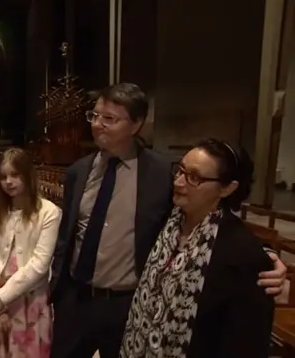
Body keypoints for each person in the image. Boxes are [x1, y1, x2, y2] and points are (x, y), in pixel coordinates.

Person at [49, 83, 287, 358]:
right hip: (76, 300)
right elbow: (66, 237)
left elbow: (211, 222)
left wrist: (267, 256)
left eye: (110, 118)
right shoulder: (78, 172)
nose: (98, 124)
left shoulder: (161, 173)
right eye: (95, 115)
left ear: (136, 124)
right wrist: (59, 291)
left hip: (127, 305)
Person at [120, 138, 275, 357]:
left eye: (194, 177)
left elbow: (246, 344)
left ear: (227, 188)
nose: (179, 182)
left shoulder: (244, 256)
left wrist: (269, 255)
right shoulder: (167, 220)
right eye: (180, 170)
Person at [0, 148, 61, 358]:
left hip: (29, 300)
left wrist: (2, 298)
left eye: (15, 175)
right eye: (3, 176)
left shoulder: (48, 212)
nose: (9, 182)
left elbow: (39, 264)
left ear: (27, 175)